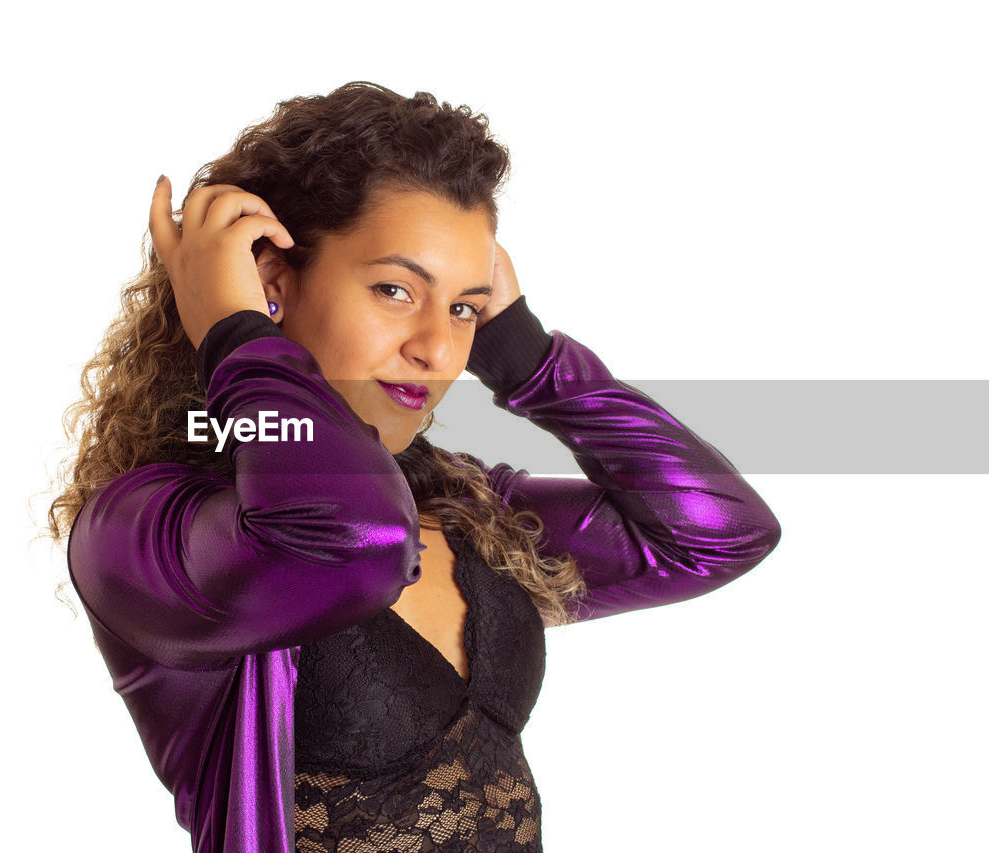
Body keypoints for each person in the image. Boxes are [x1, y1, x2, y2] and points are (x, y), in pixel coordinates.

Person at [47, 81, 781, 853]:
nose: (437, 348)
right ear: (271, 282)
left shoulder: (464, 506)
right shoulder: (142, 530)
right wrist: (233, 336)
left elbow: (717, 529)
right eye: (396, 290)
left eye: (463, 307)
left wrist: (525, 356)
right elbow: (353, 541)